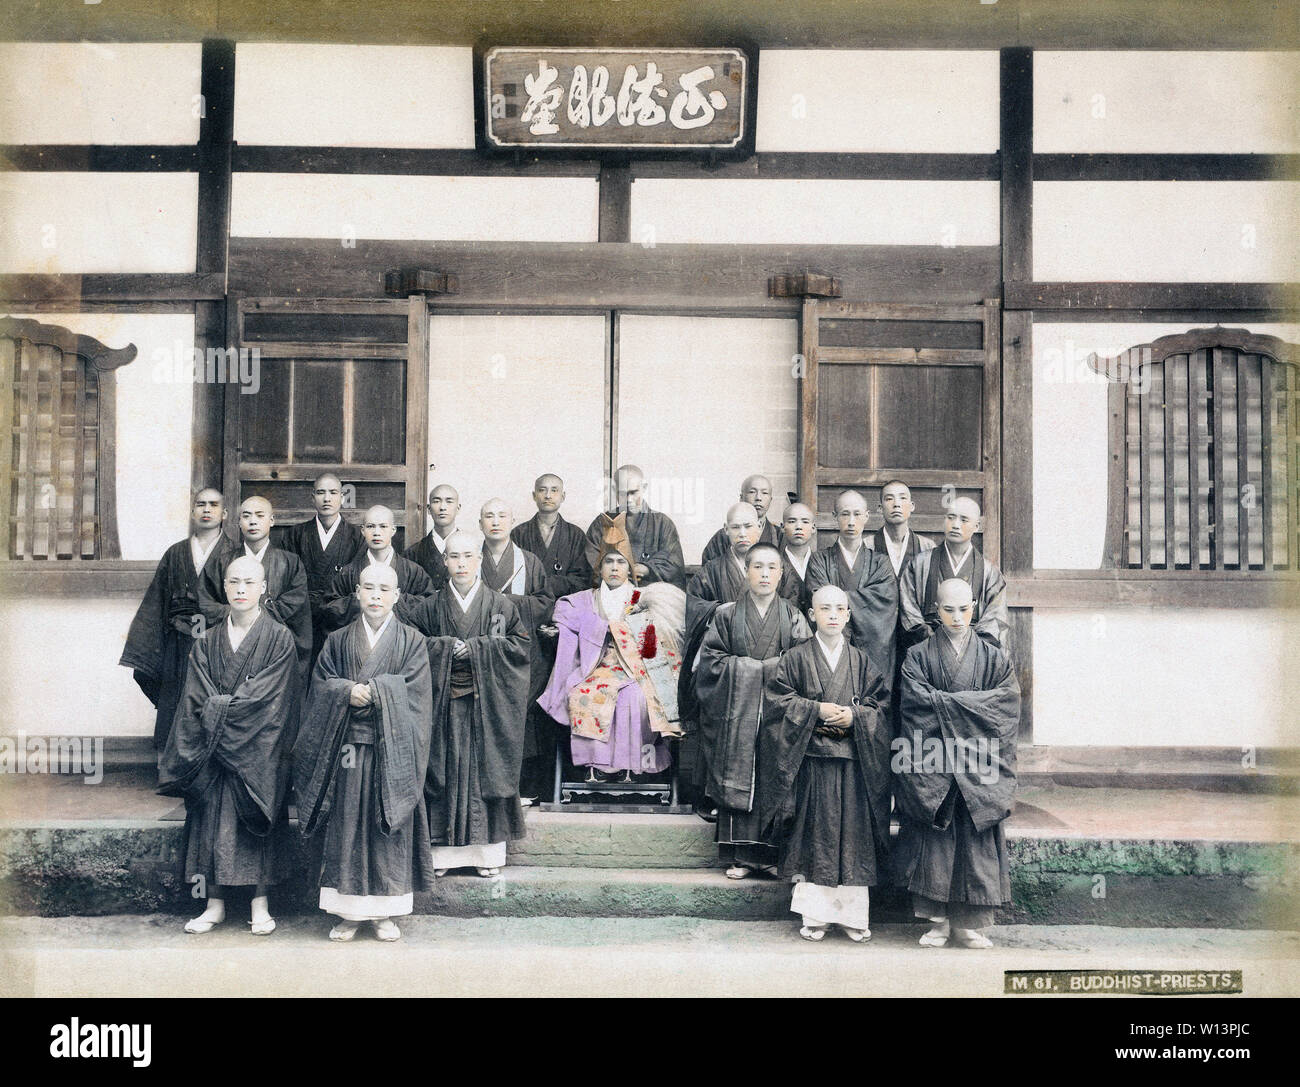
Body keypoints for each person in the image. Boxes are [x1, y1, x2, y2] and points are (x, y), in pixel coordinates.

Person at [293, 563, 435, 942]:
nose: (375, 596)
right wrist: (344, 692)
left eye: (383, 589)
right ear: (356, 593)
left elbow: (418, 696)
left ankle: (384, 913)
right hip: (347, 750)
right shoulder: (338, 640)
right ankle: (348, 913)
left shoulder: (412, 640)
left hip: (391, 750)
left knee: (384, 825)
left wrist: (379, 692)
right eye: (368, 588)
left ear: (396, 596)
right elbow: (321, 684)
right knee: (347, 824)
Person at [159, 555, 300, 935]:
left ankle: (260, 903)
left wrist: (222, 714)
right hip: (213, 751)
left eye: (249, 582)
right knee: (210, 820)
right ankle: (214, 903)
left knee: (253, 818)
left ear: (263, 589)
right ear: (223, 588)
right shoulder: (207, 640)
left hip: (258, 749)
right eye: (233, 582)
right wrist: (221, 718)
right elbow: (196, 693)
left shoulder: (279, 638)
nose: (240, 589)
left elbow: (272, 698)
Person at [893, 579, 1020, 949]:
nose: (957, 617)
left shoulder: (995, 657)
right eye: (948, 609)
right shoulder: (918, 656)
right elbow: (915, 706)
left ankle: (968, 924)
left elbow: (1006, 706)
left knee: (973, 843)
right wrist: (970, 707)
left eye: (964, 609)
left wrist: (947, 705)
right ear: (935, 610)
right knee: (935, 842)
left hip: (980, 761)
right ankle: (938, 923)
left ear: (976, 607)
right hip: (934, 761)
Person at [760, 586, 891, 942]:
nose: (832, 615)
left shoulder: (862, 661)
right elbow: (777, 703)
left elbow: (881, 707)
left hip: (852, 764)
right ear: (811, 614)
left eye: (839, 609)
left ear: (848, 615)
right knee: (813, 835)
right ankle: (815, 916)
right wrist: (815, 710)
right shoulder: (795, 658)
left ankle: (852, 917)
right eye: (824, 608)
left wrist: (856, 716)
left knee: (854, 836)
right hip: (812, 763)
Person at [406, 531, 530, 877]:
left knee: (483, 774)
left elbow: (520, 649)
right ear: (444, 562)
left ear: (478, 559)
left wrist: (478, 649)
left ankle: (486, 856)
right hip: (442, 705)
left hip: (485, 706)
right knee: (441, 773)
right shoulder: (429, 607)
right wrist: (445, 647)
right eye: (453, 556)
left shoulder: (502, 606)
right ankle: (442, 856)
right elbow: (413, 648)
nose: (461, 563)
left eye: (467, 556)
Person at [695, 544, 811, 879]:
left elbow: (803, 663)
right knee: (740, 774)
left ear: (781, 573)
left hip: (779, 715)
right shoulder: (727, 615)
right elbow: (711, 663)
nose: (764, 574)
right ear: (746, 572)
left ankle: (774, 856)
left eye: (771, 567)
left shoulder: (792, 615)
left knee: (776, 779)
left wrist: (771, 669)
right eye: (757, 567)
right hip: (737, 714)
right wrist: (753, 670)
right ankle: (740, 858)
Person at [538, 536, 683, 782]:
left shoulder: (642, 599)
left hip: (635, 669)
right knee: (585, 694)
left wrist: (621, 628)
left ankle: (633, 767)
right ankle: (596, 765)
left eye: (621, 562)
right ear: (600, 568)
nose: (615, 568)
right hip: (593, 667)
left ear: (630, 569)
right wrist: (603, 627)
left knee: (636, 697)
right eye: (608, 562)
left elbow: (653, 638)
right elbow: (562, 614)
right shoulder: (584, 599)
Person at [121, 487, 239, 750]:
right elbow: (156, 603)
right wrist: (148, 650)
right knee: (173, 698)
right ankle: (171, 766)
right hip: (179, 640)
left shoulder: (235, 553)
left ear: (225, 514)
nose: (207, 510)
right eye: (200, 504)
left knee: (212, 700)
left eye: (213, 505)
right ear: (192, 511)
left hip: (218, 641)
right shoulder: (175, 553)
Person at [679, 501, 761, 817]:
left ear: (758, 528)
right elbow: (692, 606)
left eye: (748, 526)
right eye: (735, 527)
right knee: (714, 726)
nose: (742, 533)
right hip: (721, 663)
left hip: (760, 666)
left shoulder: (769, 566)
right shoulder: (712, 570)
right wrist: (719, 609)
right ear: (725, 531)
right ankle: (711, 796)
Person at [198, 495, 313, 687]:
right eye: (246, 516)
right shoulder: (220, 561)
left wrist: (253, 614)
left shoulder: (290, 562)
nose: (253, 521)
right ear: (238, 522)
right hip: (231, 644)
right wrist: (235, 613)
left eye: (260, 515)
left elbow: (296, 606)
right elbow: (205, 602)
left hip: (273, 650)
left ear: (272, 520)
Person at [805, 489, 900, 694]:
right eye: (844, 514)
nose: (851, 521)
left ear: (866, 517)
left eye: (857, 514)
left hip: (872, 650)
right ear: (834, 517)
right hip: (831, 648)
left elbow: (886, 602)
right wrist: (857, 598)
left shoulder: (881, 562)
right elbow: (819, 599)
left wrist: (838, 599)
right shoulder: (819, 560)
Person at [899, 497, 1009, 649]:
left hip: (974, 654)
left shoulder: (989, 573)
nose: (956, 525)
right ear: (945, 520)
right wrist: (933, 643)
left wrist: (967, 648)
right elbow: (909, 611)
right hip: (926, 650)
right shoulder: (920, 563)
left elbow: (995, 620)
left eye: (964, 520)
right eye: (951, 518)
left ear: (976, 526)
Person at [281, 473, 366, 664]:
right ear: (312, 497)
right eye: (321, 492)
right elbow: (288, 583)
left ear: (342, 497)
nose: (327, 498)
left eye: (333, 492)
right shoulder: (295, 535)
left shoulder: (357, 537)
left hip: (341, 622)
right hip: (303, 623)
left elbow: (356, 585)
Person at [321, 505, 434, 632]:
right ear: (362, 531)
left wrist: (394, 600)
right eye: (370, 526)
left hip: (401, 645)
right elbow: (330, 609)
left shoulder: (413, 571)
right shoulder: (348, 573)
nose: (376, 532)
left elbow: (429, 606)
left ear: (393, 530)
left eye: (383, 526)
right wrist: (359, 600)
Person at [584, 464, 686, 589]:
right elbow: (590, 563)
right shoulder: (602, 523)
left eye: (633, 492)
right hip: (611, 592)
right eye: (622, 494)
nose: (628, 499)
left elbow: (674, 565)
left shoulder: (662, 523)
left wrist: (647, 569)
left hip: (651, 594)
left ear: (644, 488)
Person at [511, 473, 592, 599]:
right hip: (529, 607)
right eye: (542, 490)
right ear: (534, 496)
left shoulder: (576, 535)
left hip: (565, 607)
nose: (548, 496)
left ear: (563, 496)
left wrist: (543, 583)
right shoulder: (519, 533)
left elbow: (582, 580)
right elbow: (514, 578)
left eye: (554, 490)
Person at [700, 475, 782, 564]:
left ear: (770, 499)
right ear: (741, 498)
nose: (758, 498)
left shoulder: (779, 536)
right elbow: (710, 572)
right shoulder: (722, 537)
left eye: (764, 493)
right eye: (752, 492)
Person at [868, 480, 936, 578]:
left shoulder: (927, 547)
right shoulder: (867, 545)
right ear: (880, 508)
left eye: (903, 498)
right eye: (889, 499)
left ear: (911, 506)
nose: (896, 504)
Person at [404, 483, 461, 591]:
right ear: (429, 509)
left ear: (458, 508)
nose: (442, 507)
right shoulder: (413, 553)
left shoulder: (470, 549)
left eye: (449, 501)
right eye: (436, 501)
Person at [777, 501, 816, 610]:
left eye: (805, 521)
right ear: (782, 527)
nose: (799, 526)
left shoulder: (821, 563)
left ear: (813, 528)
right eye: (792, 521)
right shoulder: (775, 564)